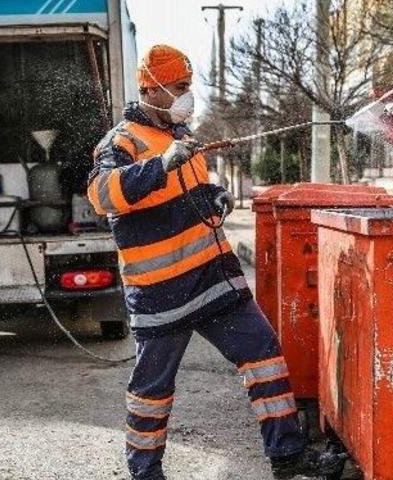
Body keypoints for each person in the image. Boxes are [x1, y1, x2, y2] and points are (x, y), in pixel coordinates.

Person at [86, 45, 339, 480]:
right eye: (180, 86)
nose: (188, 95)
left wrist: (214, 195)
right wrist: (161, 165)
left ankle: (287, 456)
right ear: (152, 88)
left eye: (189, 85)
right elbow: (102, 194)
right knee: (152, 391)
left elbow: (187, 192)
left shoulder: (182, 135)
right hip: (161, 294)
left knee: (263, 354)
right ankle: (145, 473)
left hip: (213, 281)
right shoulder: (122, 141)